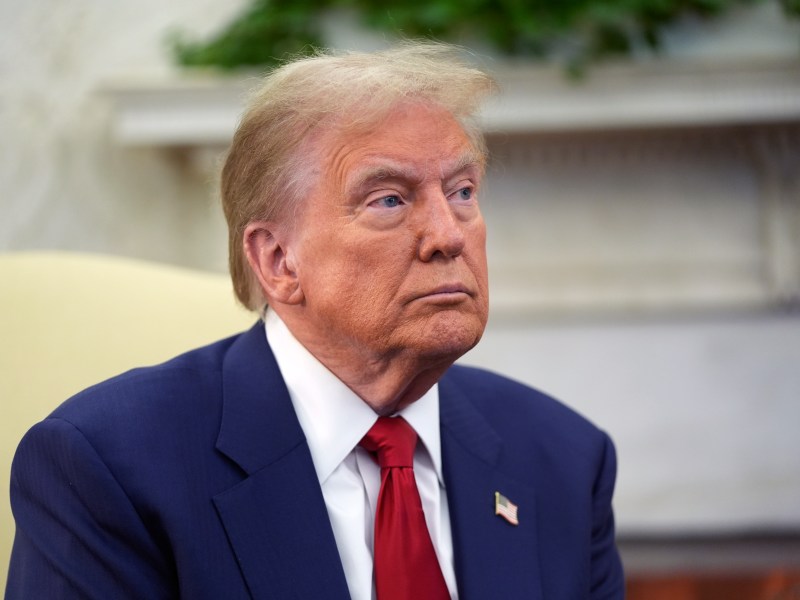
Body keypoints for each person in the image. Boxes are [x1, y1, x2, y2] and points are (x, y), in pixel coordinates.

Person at [6, 43, 624, 599]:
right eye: (389, 199)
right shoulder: (108, 468)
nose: (447, 235)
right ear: (278, 261)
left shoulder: (563, 459)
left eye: (462, 191)